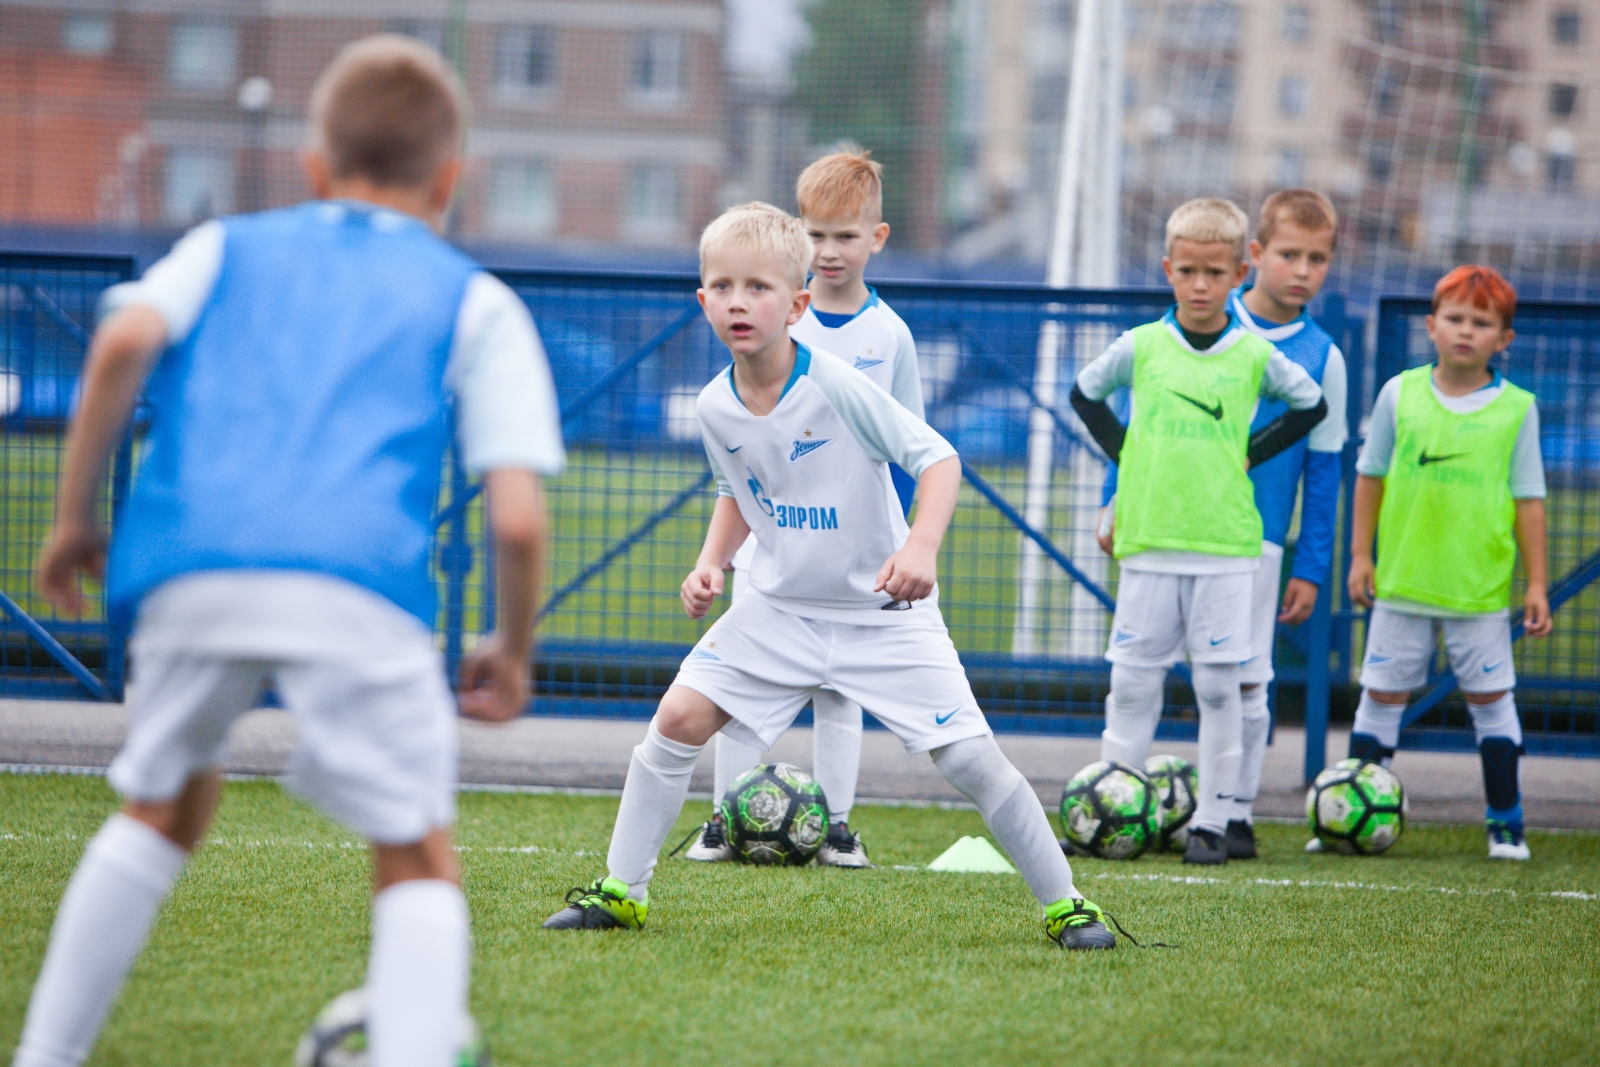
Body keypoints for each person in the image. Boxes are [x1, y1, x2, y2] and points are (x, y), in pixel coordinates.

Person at [12, 36, 563, 1067]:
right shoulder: (476, 298)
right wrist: (513, 645)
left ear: (313, 167)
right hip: (359, 584)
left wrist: (73, 515)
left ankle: (45, 1052)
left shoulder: (225, 246)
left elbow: (122, 345)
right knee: (414, 850)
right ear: (452, 179)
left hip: (189, 565)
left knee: (162, 803)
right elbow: (520, 517)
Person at [543, 202, 1117, 949]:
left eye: (759, 287)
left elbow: (939, 459)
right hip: (779, 611)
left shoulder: (839, 384)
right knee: (678, 719)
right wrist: (710, 563)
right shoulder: (715, 405)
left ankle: (1067, 903)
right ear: (702, 301)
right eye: (722, 286)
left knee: (971, 758)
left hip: (882, 616)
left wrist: (921, 547)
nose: (739, 302)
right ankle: (622, 890)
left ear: (799, 303)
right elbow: (739, 491)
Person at [1070, 197, 1327, 866]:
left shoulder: (1252, 355)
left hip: (1224, 549)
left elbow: (1310, 404)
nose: (1201, 285)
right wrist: (1129, 454)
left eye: (1216, 272)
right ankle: (1116, 805)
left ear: (1241, 271)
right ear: (1168, 269)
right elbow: (1083, 393)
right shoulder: (1144, 345)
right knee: (1131, 681)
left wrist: (1254, 449)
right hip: (1150, 542)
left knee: (1219, 686)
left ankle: (1212, 821)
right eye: (1188, 271)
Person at [689, 149, 924, 869]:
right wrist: (716, 557)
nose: (828, 251)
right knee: (740, 678)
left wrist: (905, 542)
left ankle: (839, 824)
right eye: (815, 235)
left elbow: (915, 448)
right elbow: (738, 464)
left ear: (875, 239)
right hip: (776, 544)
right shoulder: (770, 315)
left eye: (845, 236)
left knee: (838, 686)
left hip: (854, 552)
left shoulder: (890, 338)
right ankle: (728, 821)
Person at [1336, 265, 1549, 861]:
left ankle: (1505, 821)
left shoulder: (1517, 409)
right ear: (1431, 326)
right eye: (1454, 318)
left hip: (1477, 590)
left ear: (1502, 339)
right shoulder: (1398, 394)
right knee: (1380, 697)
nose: (1465, 331)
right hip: (1402, 581)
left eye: (1481, 323)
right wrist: (1359, 555)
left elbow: (1530, 500)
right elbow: (1369, 477)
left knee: (1490, 703)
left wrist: (1536, 584)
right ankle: (1348, 809)